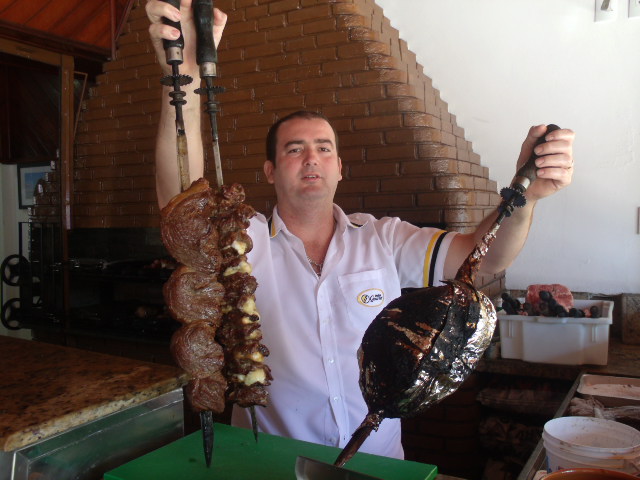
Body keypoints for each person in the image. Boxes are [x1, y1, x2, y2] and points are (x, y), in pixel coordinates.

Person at [146, 0, 575, 460]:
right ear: (270, 171)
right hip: (270, 458)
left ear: (340, 169)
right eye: (295, 149)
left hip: (379, 461)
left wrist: (524, 195)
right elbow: (183, 210)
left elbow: (483, 257)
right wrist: (185, 75)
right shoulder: (243, 241)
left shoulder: (384, 239)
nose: (311, 158)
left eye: (323, 148)